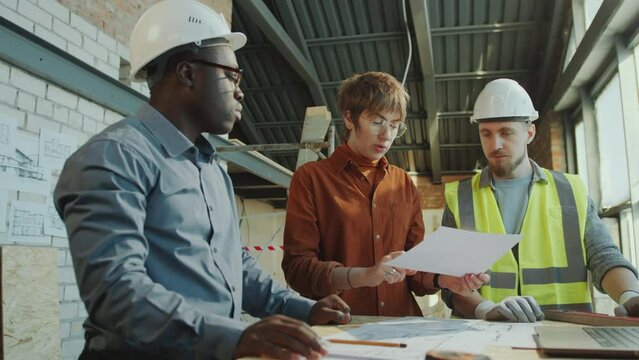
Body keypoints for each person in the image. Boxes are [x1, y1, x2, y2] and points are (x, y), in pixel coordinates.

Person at [53, 1, 350, 359]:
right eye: (231, 76)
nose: (240, 92)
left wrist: (304, 309)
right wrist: (235, 337)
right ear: (187, 73)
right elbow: (116, 293)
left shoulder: (211, 168)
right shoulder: (114, 157)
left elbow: (235, 268)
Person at [282, 72, 488, 316]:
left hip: (401, 325)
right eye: (377, 122)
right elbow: (297, 269)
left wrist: (443, 279)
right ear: (349, 118)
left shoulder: (403, 183)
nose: (386, 135)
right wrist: (363, 276)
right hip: (342, 324)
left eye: (394, 126)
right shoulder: (311, 179)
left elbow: (415, 266)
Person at [441, 78, 639, 322]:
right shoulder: (460, 197)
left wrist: (629, 295)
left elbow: (604, 257)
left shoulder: (570, 191)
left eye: (506, 132)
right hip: (485, 339)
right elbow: (450, 281)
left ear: (529, 132)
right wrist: (486, 309)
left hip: (564, 336)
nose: (496, 144)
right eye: (487, 134)